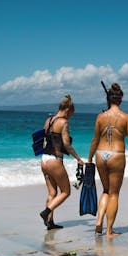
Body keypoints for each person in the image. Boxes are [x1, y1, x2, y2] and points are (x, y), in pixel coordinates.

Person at [87, 82, 128, 237]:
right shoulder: (126, 117)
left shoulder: (100, 117)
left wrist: (90, 158)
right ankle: (109, 230)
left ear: (108, 99)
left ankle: (99, 222)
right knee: (114, 194)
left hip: (100, 154)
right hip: (117, 155)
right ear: (121, 99)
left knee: (105, 190)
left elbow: (94, 140)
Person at [39, 94, 84, 230]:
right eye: (71, 114)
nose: (70, 117)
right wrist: (78, 159)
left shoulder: (49, 120)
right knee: (66, 191)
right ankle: (46, 212)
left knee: (52, 193)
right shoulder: (63, 122)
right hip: (54, 160)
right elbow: (66, 144)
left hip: (44, 159)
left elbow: (43, 139)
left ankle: (50, 223)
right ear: (67, 110)